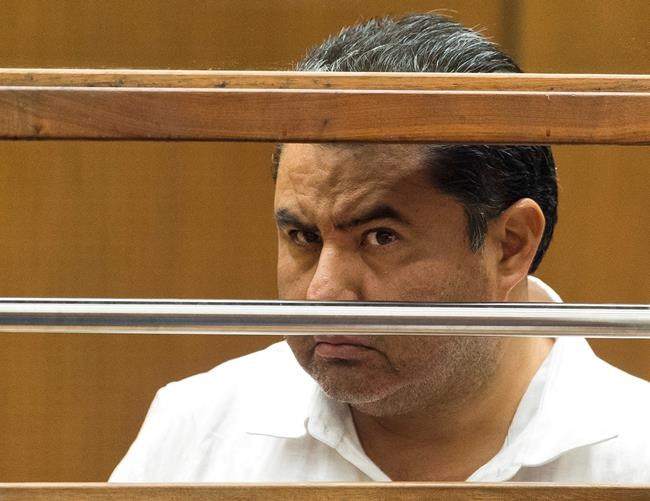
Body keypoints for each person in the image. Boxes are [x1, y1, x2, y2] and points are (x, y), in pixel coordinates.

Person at [110, 13, 650, 483]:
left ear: (510, 245)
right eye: (304, 237)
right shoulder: (198, 433)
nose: (323, 294)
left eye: (380, 237)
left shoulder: (636, 452)